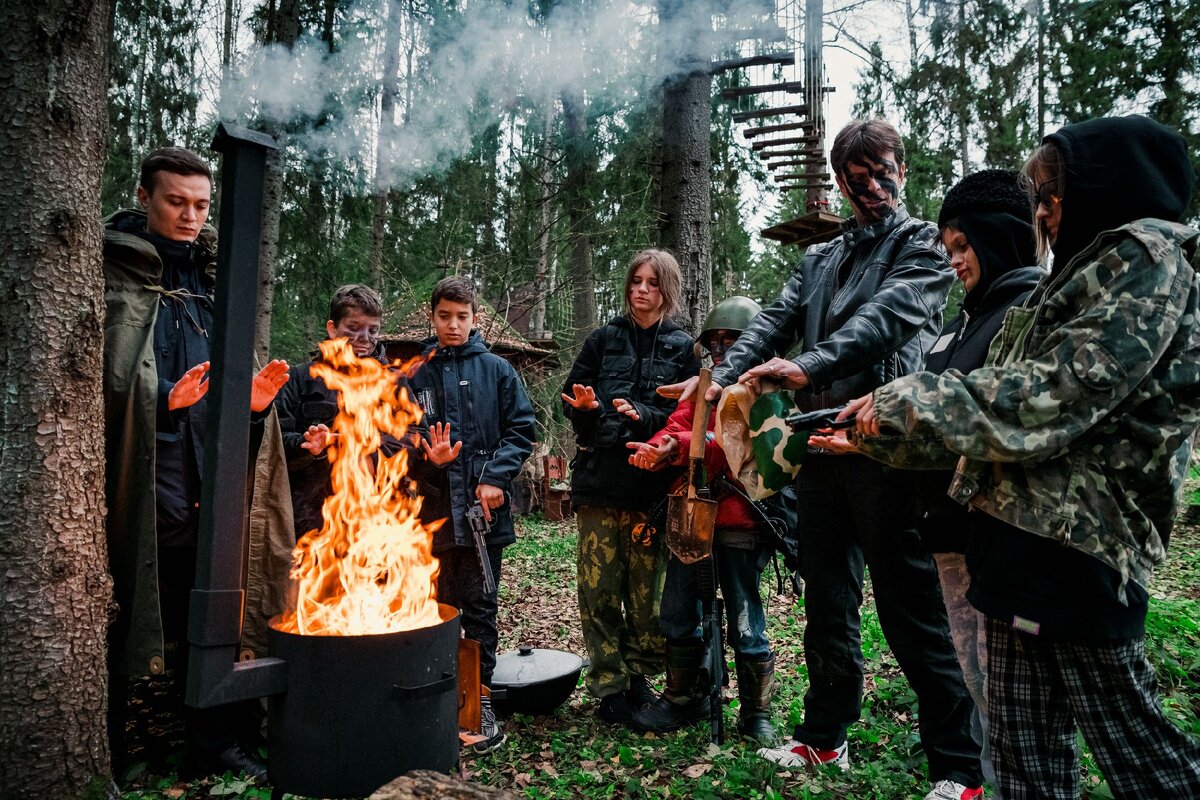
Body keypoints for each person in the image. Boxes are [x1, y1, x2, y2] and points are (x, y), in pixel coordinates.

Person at [845, 115, 1200, 799]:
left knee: (1138, 753)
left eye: (1053, 195)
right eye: (1036, 196)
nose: (1041, 212)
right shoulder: (1061, 285)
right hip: (1013, 553)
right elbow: (988, 418)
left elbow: (1055, 395)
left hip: (1080, 554)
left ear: (1103, 186)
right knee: (1021, 763)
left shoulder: (1145, 260)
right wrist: (879, 428)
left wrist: (908, 402)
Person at [696, 120, 984, 799]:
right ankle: (826, 738)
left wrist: (806, 365)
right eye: (855, 178)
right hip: (819, 446)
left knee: (910, 608)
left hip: (887, 447)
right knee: (826, 598)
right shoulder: (823, 256)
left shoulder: (922, 245)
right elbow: (773, 318)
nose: (871, 188)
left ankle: (960, 768)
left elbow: (882, 321)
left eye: (881, 172)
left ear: (902, 171)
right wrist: (721, 379)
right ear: (839, 183)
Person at [813, 169, 1043, 795]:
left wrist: (886, 412)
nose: (954, 260)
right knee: (974, 669)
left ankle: (963, 768)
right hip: (948, 529)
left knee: (1001, 683)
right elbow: (936, 431)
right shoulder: (958, 327)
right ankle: (970, 774)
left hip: (1002, 537)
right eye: (950, 248)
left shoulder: (1026, 316)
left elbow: (1000, 418)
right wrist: (863, 436)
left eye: (965, 247)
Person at [102, 147, 294, 781]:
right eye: (175, 202)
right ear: (145, 196)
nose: (190, 216)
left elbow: (226, 398)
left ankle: (216, 747)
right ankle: (108, 746)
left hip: (210, 488)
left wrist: (256, 410)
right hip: (139, 484)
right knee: (122, 611)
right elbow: (92, 386)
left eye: (201, 205)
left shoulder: (217, 286)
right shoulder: (113, 278)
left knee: (214, 614)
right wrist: (162, 403)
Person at [625, 296, 781, 743]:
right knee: (677, 609)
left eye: (730, 340)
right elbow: (678, 425)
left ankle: (756, 714)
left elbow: (744, 444)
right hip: (690, 519)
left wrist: (691, 446)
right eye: (713, 342)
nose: (720, 349)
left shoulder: (765, 391)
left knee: (746, 618)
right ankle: (682, 697)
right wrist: (659, 449)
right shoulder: (702, 386)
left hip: (739, 521)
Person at [562, 249, 700, 725]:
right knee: (598, 591)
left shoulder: (684, 348)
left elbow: (689, 418)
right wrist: (586, 408)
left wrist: (647, 417)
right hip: (600, 485)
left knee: (647, 596)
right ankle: (609, 686)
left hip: (651, 493)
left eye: (652, 283)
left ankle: (640, 679)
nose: (642, 290)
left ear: (668, 290)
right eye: (636, 281)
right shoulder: (602, 340)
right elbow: (574, 402)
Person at [408, 276, 537, 754]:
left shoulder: (499, 371)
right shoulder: (414, 374)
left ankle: (478, 698)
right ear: (433, 315)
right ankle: (435, 699)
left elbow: (522, 430)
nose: (453, 325)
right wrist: (428, 457)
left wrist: (495, 477)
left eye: (462, 317)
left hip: (484, 517)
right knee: (432, 608)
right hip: (432, 516)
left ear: (475, 319)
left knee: (481, 609)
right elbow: (398, 437)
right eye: (445, 316)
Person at [275, 284, 410, 539]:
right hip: (311, 517)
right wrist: (307, 444)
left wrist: (373, 452)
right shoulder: (299, 378)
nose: (365, 339)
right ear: (331, 328)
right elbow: (275, 440)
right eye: (353, 328)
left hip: (378, 517)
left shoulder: (393, 382)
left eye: (373, 330)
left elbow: (414, 436)